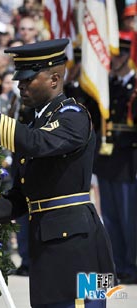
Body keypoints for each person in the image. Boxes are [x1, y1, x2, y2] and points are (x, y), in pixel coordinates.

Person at [0, 38, 116, 307]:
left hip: (79, 249)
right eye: (19, 79)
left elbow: (36, 142)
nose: (20, 85)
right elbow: (23, 198)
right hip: (49, 246)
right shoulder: (37, 122)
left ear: (54, 79)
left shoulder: (74, 116)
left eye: (29, 79)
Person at [94, 33, 137, 285]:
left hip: (128, 162)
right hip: (107, 160)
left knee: (129, 217)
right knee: (109, 217)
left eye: (121, 54)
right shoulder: (106, 87)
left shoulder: (133, 87)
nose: (115, 58)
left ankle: (131, 264)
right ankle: (118, 264)